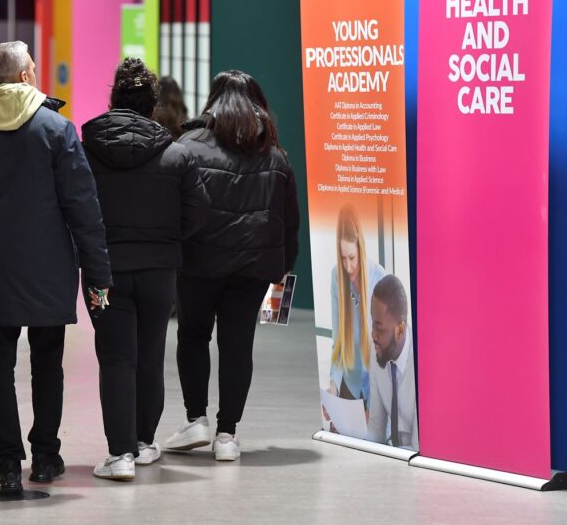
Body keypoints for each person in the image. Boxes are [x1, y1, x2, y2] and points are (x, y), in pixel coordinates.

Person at [0, 41, 112, 496]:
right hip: (50, 268)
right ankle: (47, 457)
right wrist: (98, 273)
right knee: (48, 364)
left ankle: (8, 464)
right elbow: (83, 208)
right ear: (26, 76)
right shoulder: (57, 130)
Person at [81, 58, 210, 481]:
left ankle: (119, 455)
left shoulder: (87, 151)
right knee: (150, 356)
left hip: (105, 274)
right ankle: (143, 442)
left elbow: (75, 210)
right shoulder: (177, 156)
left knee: (116, 359)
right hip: (160, 273)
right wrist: (169, 241)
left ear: (114, 100)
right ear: (153, 107)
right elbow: (199, 214)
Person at [165, 70, 299, 462]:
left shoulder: (189, 146)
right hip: (253, 269)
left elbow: (176, 211)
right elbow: (290, 223)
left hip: (198, 263)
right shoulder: (276, 158)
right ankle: (227, 434)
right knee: (238, 345)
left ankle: (196, 419)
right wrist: (282, 268)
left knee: (193, 336)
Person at [330, 206, 387, 403]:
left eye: (352, 258)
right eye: (343, 258)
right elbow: (337, 340)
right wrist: (333, 385)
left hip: (377, 383)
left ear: (360, 250)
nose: (348, 266)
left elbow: (387, 352)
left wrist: (373, 407)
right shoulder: (337, 276)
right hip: (351, 379)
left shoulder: (381, 279)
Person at [367, 275, 417, 448]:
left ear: (400, 330)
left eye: (379, 327)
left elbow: (421, 448)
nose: (373, 334)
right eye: (372, 323)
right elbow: (376, 428)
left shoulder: (421, 365)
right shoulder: (379, 353)